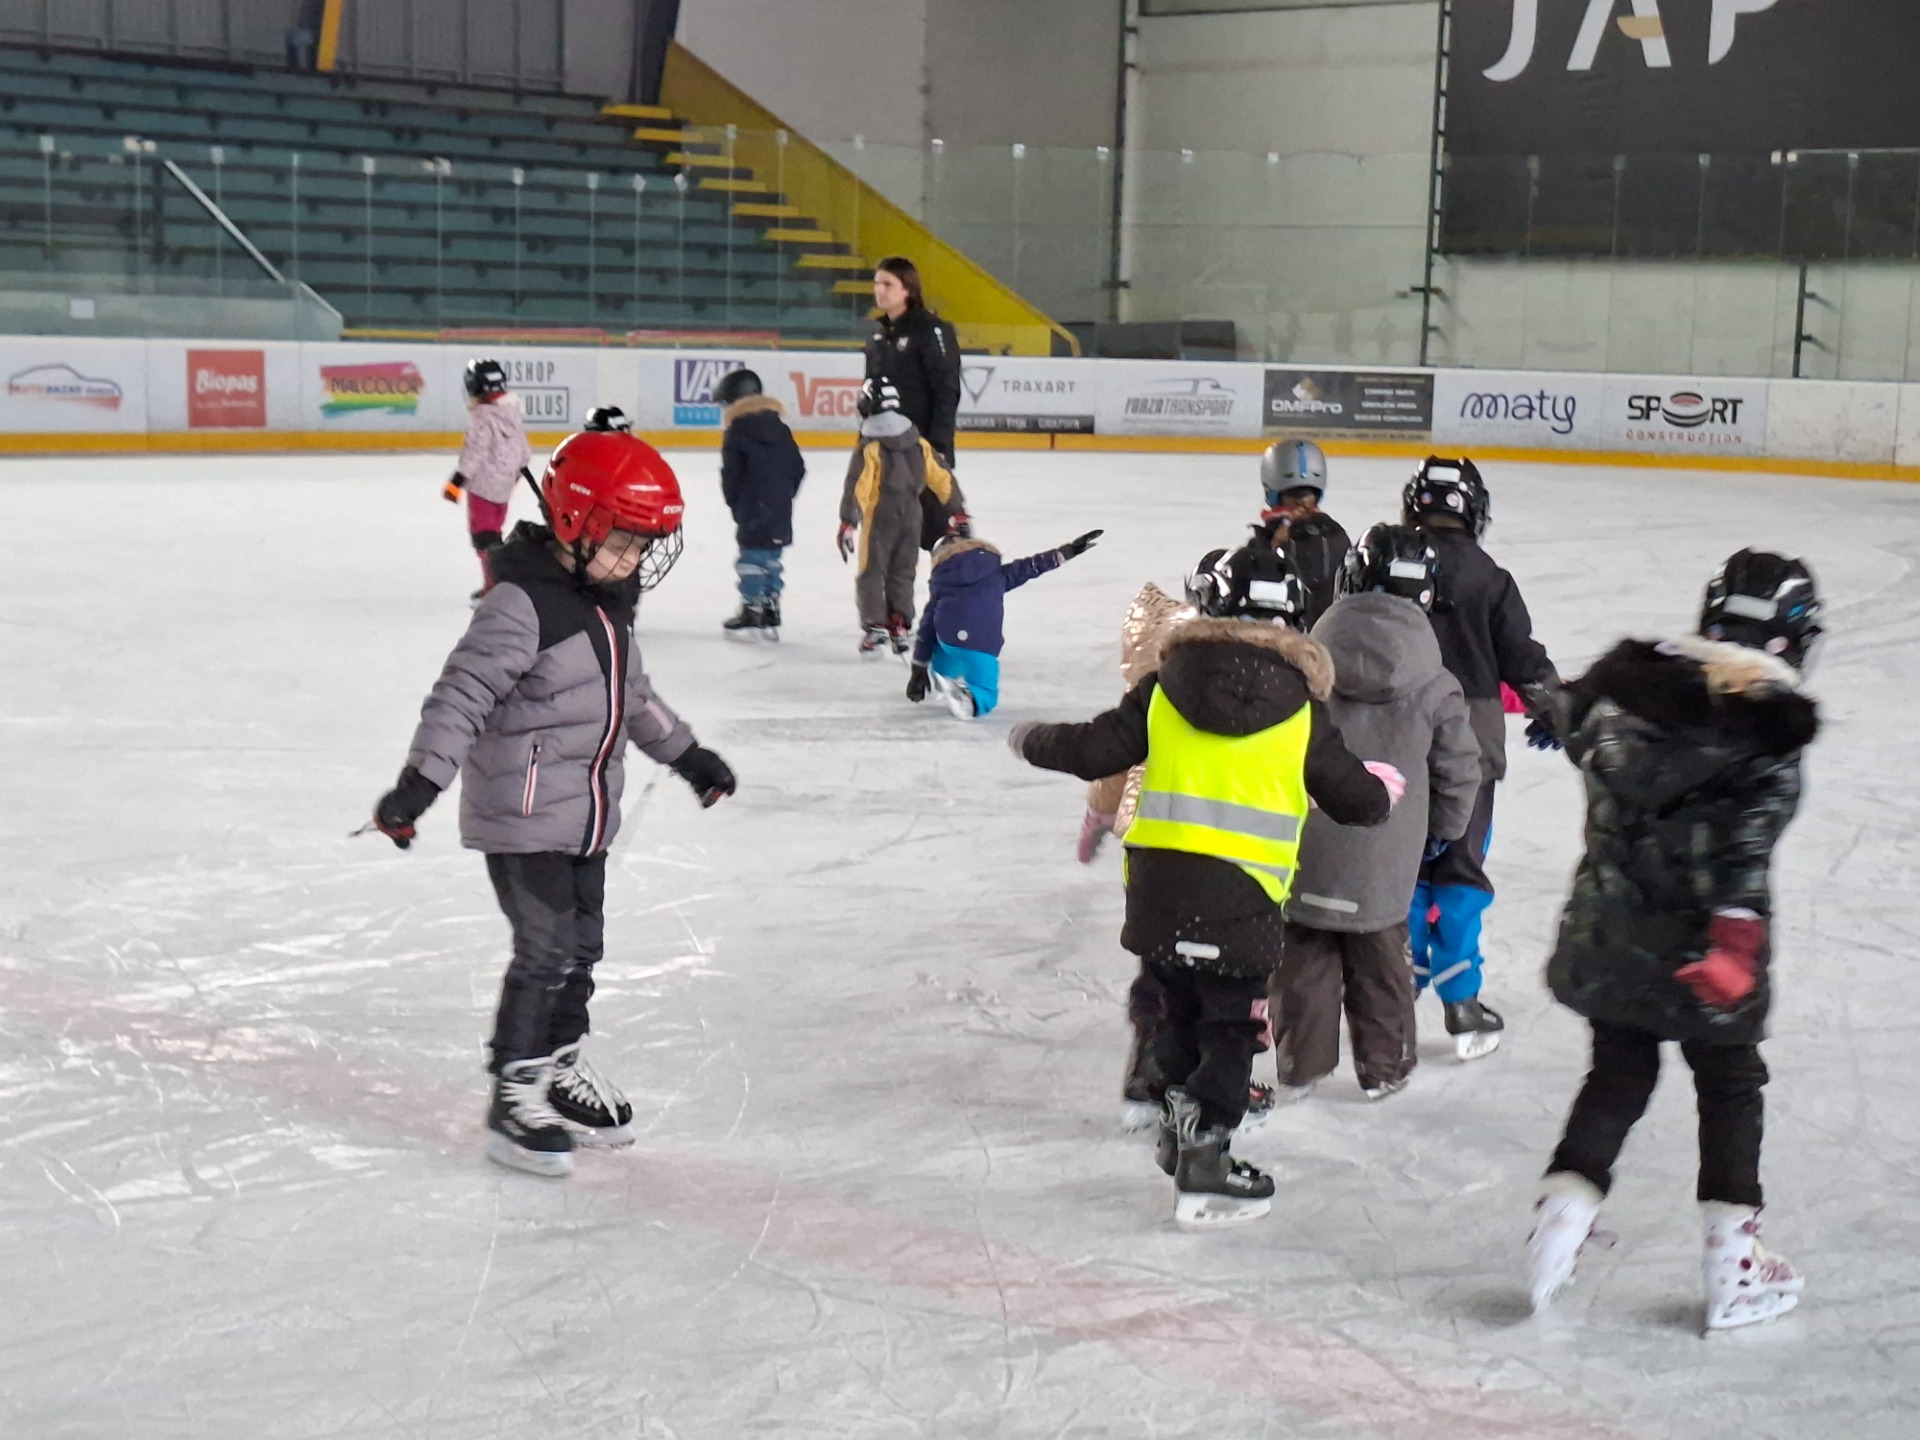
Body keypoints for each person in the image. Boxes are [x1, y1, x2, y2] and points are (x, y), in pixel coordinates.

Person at [370, 429, 739, 1179]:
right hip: (524, 816)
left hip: (586, 817)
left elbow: (635, 699)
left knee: (582, 948)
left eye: (643, 546)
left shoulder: (607, 605)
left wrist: (688, 756)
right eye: (624, 542)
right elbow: (461, 697)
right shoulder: (520, 605)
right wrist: (420, 783)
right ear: (575, 522)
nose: (635, 560)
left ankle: (558, 1065)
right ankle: (515, 1093)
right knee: (544, 950)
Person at [1007, 543, 1399, 1229]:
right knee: (1230, 1026)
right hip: (1243, 899)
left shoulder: (1164, 687)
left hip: (1159, 892)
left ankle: (1175, 1128)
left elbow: (1095, 750)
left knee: (1176, 1009)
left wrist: (1031, 738)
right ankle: (1205, 1158)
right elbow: (1355, 802)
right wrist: (1380, 793)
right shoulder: (1302, 711)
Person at [1527, 551, 1821, 1332]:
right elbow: (1742, 858)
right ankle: (1734, 1267)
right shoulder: (1768, 739)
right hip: (1703, 955)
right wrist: (1734, 947)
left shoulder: (1622, 701)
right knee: (1729, 1086)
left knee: (1617, 1075)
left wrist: (1552, 709)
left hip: (1610, 936)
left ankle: (1558, 1227)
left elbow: (1565, 710)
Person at [1270, 524, 1480, 1104]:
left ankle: (1302, 1065)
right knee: (1383, 962)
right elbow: (1459, 769)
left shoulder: (1305, 665)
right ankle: (1385, 1067)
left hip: (1305, 840)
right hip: (1388, 850)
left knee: (1304, 956)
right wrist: (1443, 831)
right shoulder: (1436, 683)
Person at [1401, 455, 1559, 1059]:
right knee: (1459, 872)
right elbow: (1524, 659)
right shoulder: (1491, 578)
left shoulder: (1387, 563)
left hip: (1399, 743)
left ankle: (1395, 988)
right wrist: (1557, 710)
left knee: (1402, 869)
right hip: (1470, 750)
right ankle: (1461, 1002)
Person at [905, 529, 1102, 718]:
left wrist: (919, 668)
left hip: (949, 639)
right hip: (982, 642)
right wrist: (1067, 551)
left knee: (945, 656)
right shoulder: (996, 573)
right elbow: (1032, 566)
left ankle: (943, 678)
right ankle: (971, 700)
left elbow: (927, 627)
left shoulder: (942, 582)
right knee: (985, 687)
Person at [839, 380, 966, 655]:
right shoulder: (917, 442)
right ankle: (899, 622)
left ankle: (875, 626)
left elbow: (858, 485)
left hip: (880, 514)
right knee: (903, 569)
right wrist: (956, 509)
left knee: (872, 569)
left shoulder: (871, 446)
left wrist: (848, 521)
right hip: (912, 513)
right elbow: (941, 476)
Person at [715, 368, 805, 639]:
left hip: (752, 505)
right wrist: (784, 494)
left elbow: (731, 474)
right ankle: (770, 604)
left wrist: (735, 502)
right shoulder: (781, 428)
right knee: (772, 557)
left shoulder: (736, 432)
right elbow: (797, 467)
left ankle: (752, 607)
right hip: (779, 507)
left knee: (752, 557)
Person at [444, 357, 532, 599]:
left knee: (483, 537)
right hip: (504, 487)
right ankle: (500, 577)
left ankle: (494, 584)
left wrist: (456, 481)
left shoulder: (481, 416)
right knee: (495, 534)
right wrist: (516, 475)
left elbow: (475, 452)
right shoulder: (512, 412)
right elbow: (524, 451)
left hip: (482, 488)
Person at [864, 256, 962, 466]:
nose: (879, 290)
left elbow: (946, 391)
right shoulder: (878, 335)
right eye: (877, 283)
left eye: (888, 284)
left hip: (921, 446)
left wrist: (939, 445)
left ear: (907, 289)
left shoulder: (931, 330)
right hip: (883, 447)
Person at [1254, 439, 1350, 629]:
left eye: (1306, 494)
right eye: (1293, 494)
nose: (1300, 503)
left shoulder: (1267, 541)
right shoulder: (1335, 533)